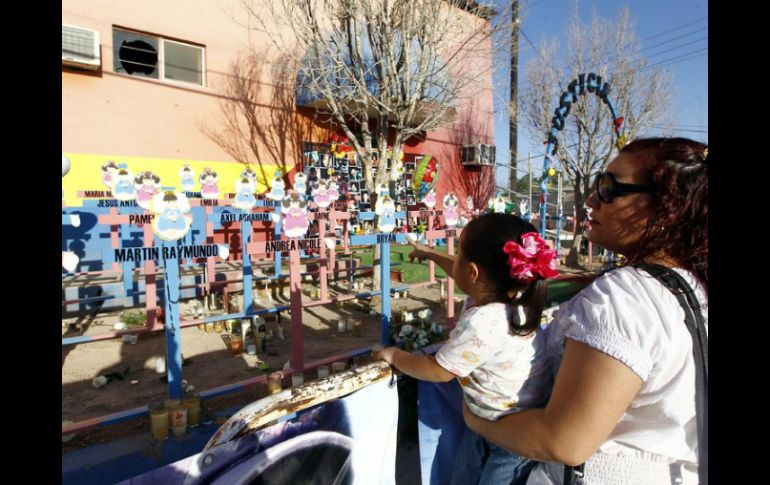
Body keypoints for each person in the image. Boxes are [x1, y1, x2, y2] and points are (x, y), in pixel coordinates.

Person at [460, 137, 708, 484]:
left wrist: (477, 419)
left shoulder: (626, 295)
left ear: (667, 207)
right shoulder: (690, 287)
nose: (591, 199)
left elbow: (563, 440)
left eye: (608, 188)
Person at [376, 212, 560, 484]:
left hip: (510, 439)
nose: (454, 260)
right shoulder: (518, 296)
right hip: (501, 419)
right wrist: (429, 253)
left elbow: (438, 370)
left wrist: (393, 354)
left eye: (459, 252)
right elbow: (461, 270)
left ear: (473, 272)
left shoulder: (484, 321)